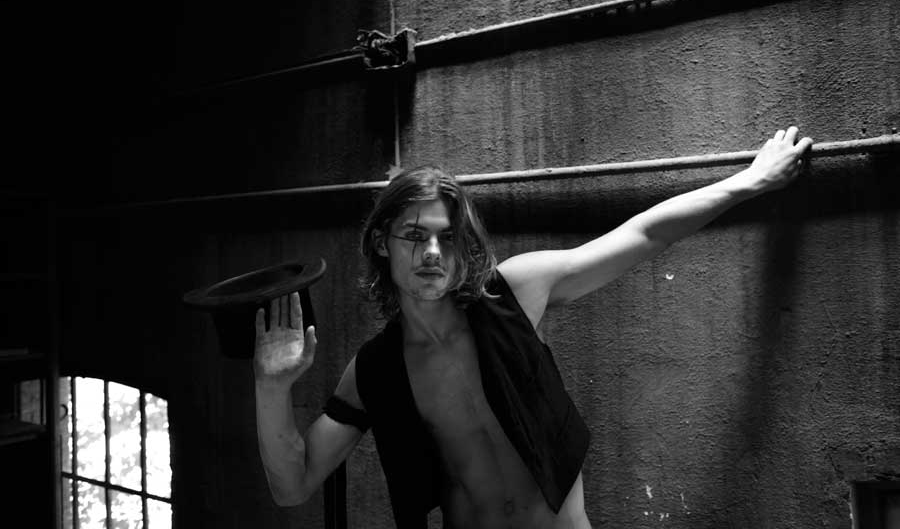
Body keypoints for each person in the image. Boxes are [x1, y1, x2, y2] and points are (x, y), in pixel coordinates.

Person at [253, 127, 813, 528]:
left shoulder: (512, 294)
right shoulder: (375, 370)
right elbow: (292, 484)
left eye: (446, 237)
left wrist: (752, 181)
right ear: (382, 243)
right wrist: (272, 388)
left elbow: (645, 234)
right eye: (414, 236)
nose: (432, 252)